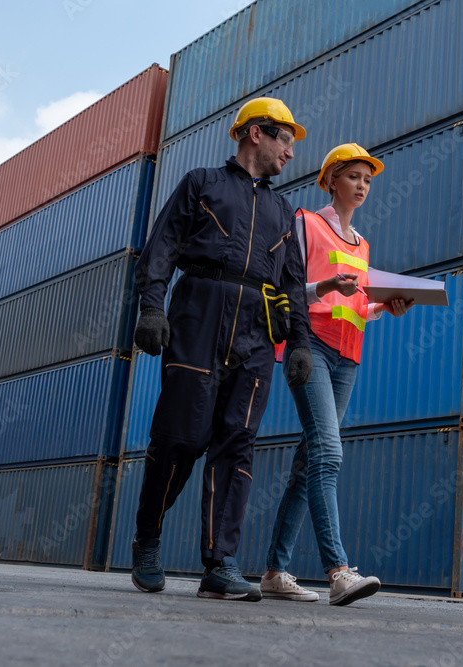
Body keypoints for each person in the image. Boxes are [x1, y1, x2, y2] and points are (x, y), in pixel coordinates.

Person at [129, 97, 315, 602]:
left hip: (257, 332)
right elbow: (161, 248)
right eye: (286, 140)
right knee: (181, 437)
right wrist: (151, 308)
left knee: (237, 445)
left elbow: (294, 284)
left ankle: (220, 563)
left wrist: (299, 342)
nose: (291, 153)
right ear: (256, 133)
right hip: (198, 315)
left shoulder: (282, 210)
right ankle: (148, 537)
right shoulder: (201, 184)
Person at [259, 143, 413, 606]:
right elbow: (287, 288)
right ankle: (339, 571)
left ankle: (273, 572)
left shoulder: (362, 244)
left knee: (308, 465)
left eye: (368, 179)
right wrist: (326, 285)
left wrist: (386, 304)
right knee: (328, 452)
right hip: (311, 350)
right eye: (353, 177)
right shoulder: (305, 223)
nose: (363, 186)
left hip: (348, 358)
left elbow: (355, 303)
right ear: (331, 180)